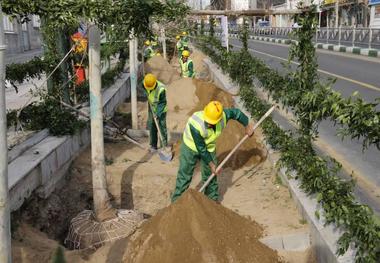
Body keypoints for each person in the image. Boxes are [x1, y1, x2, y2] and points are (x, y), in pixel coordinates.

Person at [171, 101, 255, 202]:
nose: (208, 124)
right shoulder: (196, 123)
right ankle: (176, 203)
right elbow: (201, 148)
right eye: (207, 121)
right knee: (185, 175)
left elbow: (236, 113)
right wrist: (212, 164)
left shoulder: (224, 115)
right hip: (190, 148)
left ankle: (211, 201)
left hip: (209, 147)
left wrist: (247, 125)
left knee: (211, 176)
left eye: (211, 123)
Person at [143, 73, 168, 152]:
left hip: (161, 110)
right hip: (151, 108)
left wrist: (157, 113)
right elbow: (142, 87)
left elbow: (162, 103)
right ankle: (153, 145)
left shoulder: (161, 89)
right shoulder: (145, 82)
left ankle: (163, 146)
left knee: (161, 127)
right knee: (152, 126)